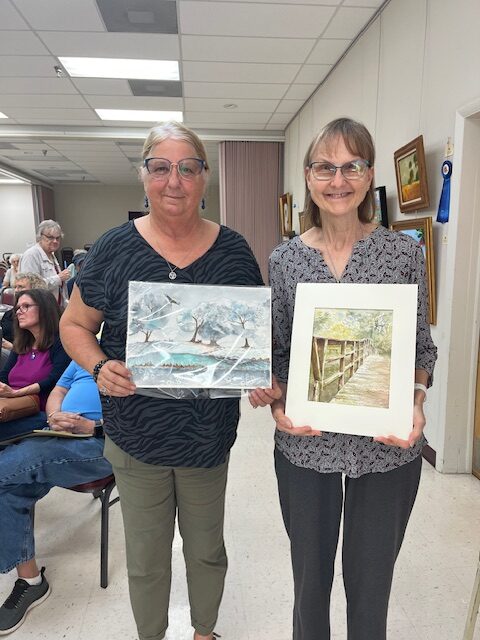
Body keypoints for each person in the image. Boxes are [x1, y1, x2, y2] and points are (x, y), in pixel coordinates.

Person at [60, 121, 279, 640]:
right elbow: (73, 325)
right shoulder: (113, 249)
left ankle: (205, 632)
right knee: (146, 559)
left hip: (207, 438)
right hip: (136, 437)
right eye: (160, 168)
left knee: (207, 551)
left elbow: (251, 338)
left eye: (187, 168)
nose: (173, 181)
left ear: (204, 178)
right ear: (144, 176)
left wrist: (258, 375)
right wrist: (99, 367)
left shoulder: (233, 251)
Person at [250, 117, 437, 640]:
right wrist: (275, 402)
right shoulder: (286, 260)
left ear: (370, 175)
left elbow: (420, 346)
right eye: (325, 168)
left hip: (385, 449)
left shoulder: (403, 253)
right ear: (308, 177)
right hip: (306, 445)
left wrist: (416, 400)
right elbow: (279, 352)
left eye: (352, 166)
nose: (339, 180)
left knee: (371, 588)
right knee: (309, 586)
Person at [0, 360, 112, 635]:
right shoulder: (82, 356)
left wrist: (95, 426)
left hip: (104, 443)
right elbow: (58, 391)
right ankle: (31, 581)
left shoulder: (133, 357)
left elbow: (145, 419)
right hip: (59, 435)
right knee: (9, 488)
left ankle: (31, 582)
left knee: (16, 464)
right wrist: (53, 416)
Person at [0, 289, 71, 440]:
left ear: (44, 309)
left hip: (38, 411)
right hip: (9, 406)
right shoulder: (22, 344)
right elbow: (4, 376)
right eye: (17, 308)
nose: (19, 312)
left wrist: (17, 393)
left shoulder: (61, 342)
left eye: (26, 306)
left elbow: (55, 380)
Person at [19, 221, 70, 307]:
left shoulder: (52, 255)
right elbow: (30, 287)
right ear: (40, 237)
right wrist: (58, 278)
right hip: (40, 309)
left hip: (55, 308)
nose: (55, 241)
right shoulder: (31, 255)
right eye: (50, 237)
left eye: (58, 238)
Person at [1, 272, 47, 353]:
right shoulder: (9, 314)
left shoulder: (42, 316)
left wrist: (11, 347)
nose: (16, 290)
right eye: (15, 287)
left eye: (21, 287)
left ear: (34, 290)